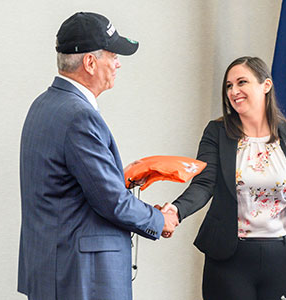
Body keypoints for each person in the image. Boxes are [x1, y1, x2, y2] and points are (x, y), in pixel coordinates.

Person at [17, 12, 179, 300]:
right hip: (82, 278)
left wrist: (118, 176)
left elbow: (67, 185)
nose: (118, 63)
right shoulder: (80, 116)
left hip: (52, 271)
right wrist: (158, 219)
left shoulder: (42, 105)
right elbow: (112, 202)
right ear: (90, 63)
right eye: (113, 55)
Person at [160, 56, 286, 299]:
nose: (234, 91)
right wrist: (176, 211)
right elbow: (204, 184)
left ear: (266, 85)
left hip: (283, 259)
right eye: (229, 85)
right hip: (228, 259)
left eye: (242, 82)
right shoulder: (217, 132)